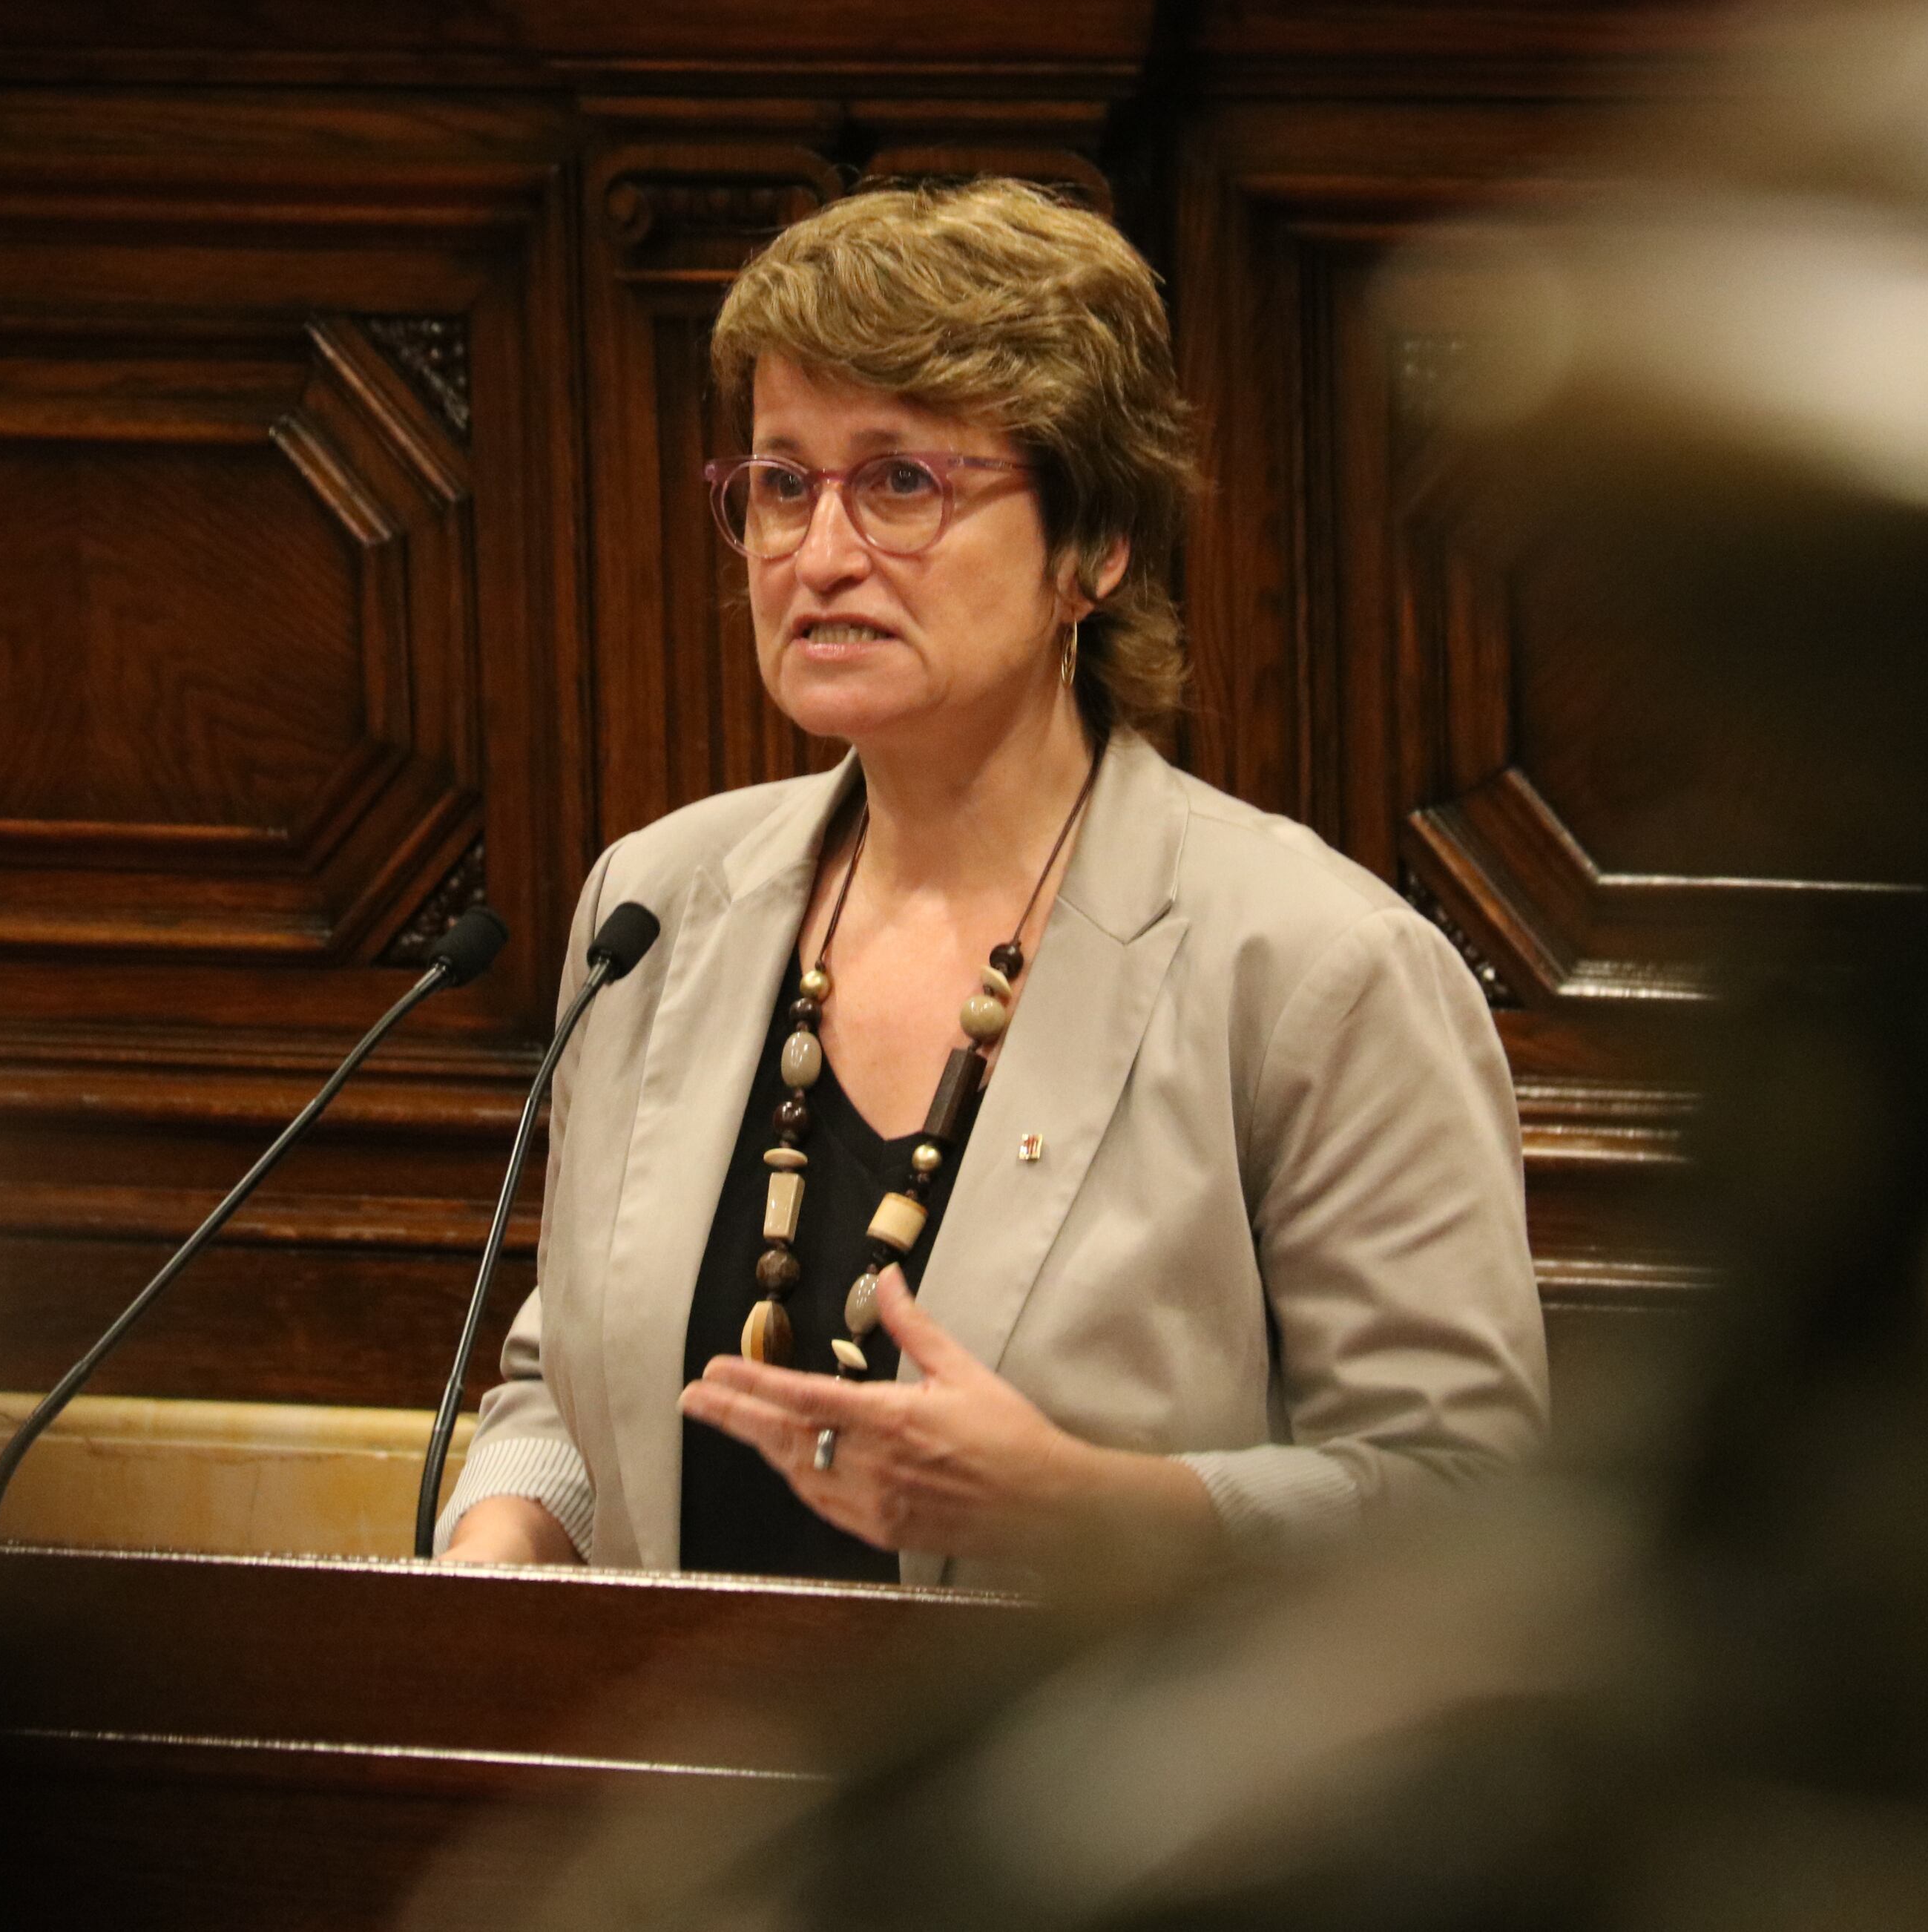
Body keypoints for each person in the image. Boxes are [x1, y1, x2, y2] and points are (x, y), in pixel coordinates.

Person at [437, 179, 1545, 1591]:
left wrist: (1088, 1509)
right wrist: (499, 1541)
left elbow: (1466, 1501)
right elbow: (570, 1372)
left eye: (904, 483)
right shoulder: (653, 906)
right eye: (783, 482)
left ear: (1095, 546)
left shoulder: (1313, 969)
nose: (820, 556)